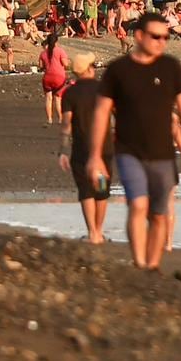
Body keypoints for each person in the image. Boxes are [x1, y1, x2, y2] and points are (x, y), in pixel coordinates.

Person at [87, 13, 181, 271]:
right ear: (139, 36)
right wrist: (95, 157)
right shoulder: (118, 70)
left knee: (159, 214)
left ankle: (152, 264)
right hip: (129, 151)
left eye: (165, 37)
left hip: (163, 154)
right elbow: (102, 113)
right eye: (156, 36)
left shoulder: (171, 67)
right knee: (138, 204)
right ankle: (140, 263)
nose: (162, 42)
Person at [58, 53, 112, 244]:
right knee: (102, 190)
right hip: (105, 149)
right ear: (90, 69)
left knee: (85, 190)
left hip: (80, 149)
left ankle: (92, 233)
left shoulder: (69, 93)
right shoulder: (104, 90)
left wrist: (63, 150)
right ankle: (99, 230)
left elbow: (66, 124)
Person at [39, 32, 69, 125]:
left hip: (47, 77)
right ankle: (60, 118)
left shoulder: (43, 53)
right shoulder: (60, 51)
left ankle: (49, 119)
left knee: (48, 98)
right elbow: (65, 64)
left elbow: (40, 66)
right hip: (59, 77)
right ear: (56, 41)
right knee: (58, 98)